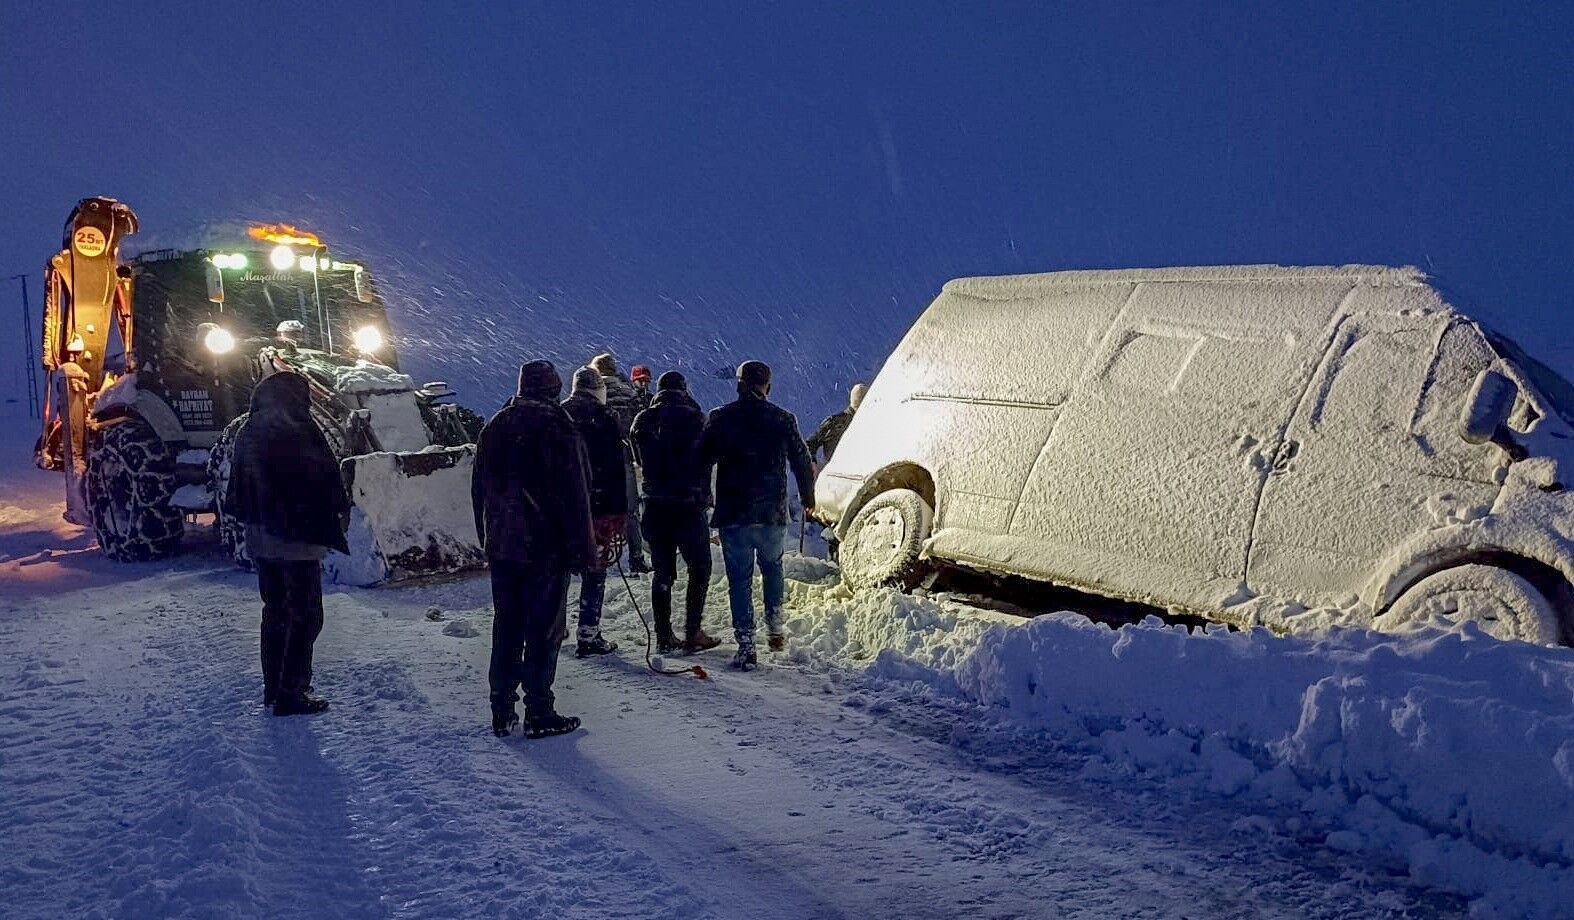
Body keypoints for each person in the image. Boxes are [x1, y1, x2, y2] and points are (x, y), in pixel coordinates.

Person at [472, 360, 597, 738]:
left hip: (504, 545)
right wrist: (583, 550)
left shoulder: (495, 425)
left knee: (507, 623)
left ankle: (501, 707)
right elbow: (577, 492)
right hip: (545, 545)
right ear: (553, 389)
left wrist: (487, 535)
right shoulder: (559, 426)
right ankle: (539, 710)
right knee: (544, 627)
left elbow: (479, 488)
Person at [226, 371, 350, 716]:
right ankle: (292, 690)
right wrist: (337, 509)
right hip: (295, 540)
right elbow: (323, 479)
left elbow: (238, 484)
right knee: (306, 615)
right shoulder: (299, 429)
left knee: (276, 611)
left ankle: (274, 685)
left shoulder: (249, 430)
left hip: (263, 540)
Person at [698, 360, 815, 670]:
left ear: (738, 384)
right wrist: (808, 498)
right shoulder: (782, 419)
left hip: (734, 513)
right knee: (773, 569)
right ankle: (775, 629)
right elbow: (802, 461)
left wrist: (702, 494)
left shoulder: (721, 418)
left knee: (739, 579)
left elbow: (701, 459)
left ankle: (746, 643)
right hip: (771, 514)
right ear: (768, 386)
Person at [630, 371, 722, 654]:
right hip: (688, 505)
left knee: (663, 571)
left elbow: (637, 458)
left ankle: (663, 634)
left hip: (655, 505)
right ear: (684, 389)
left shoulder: (643, 420)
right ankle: (693, 630)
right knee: (700, 566)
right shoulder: (697, 419)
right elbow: (710, 457)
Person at [562, 365, 629, 657]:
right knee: (595, 570)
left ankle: (554, 625)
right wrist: (620, 511)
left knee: (559, 569)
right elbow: (615, 469)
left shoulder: (558, 415)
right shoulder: (604, 418)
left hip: (561, 508)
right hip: (598, 506)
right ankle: (588, 633)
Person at [590, 353, 651, 573]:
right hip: (624, 458)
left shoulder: (592, 393)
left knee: (597, 511)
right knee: (631, 511)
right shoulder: (629, 393)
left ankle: (598, 557)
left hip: (595, 463)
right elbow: (638, 428)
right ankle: (636, 557)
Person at [806, 383, 868, 466]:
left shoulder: (833, 421)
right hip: (843, 472)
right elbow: (809, 444)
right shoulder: (835, 422)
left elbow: (809, 444)